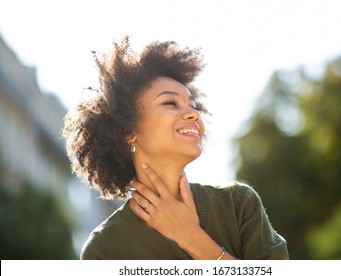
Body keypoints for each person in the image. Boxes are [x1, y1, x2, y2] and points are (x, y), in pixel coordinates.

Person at [62, 36, 289, 260]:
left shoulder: (238, 204)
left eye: (192, 105)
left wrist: (190, 236)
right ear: (128, 131)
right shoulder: (106, 248)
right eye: (170, 103)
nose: (193, 113)